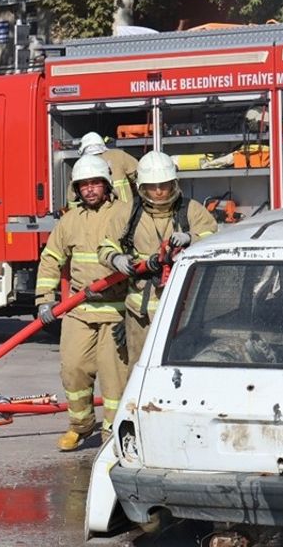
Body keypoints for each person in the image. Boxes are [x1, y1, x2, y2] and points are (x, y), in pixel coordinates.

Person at [36, 154, 132, 451]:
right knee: (74, 369)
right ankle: (81, 426)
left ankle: (111, 434)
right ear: (77, 189)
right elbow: (51, 259)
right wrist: (45, 300)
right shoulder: (70, 220)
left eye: (95, 183)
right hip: (79, 311)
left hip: (116, 312)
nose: (90, 190)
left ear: (106, 185)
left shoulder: (126, 213)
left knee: (114, 381)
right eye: (84, 185)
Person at [99, 150, 217, 367]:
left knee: (179, 367)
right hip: (139, 313)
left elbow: (214, 238)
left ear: (174, 183)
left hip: (182, 311)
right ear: (142, 187)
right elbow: (106, 246)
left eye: (164, 185)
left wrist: (190, 238)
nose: (159, 191)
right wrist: (116, 259)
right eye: (152, 187)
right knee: (140, 367)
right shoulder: (128, 213)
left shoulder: (191, 210)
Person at [68, 132, 138, 206]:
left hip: (95, 213)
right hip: (125, 210)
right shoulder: (118, 156)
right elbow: (139, 177)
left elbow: (72, 200)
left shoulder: (80, 165)